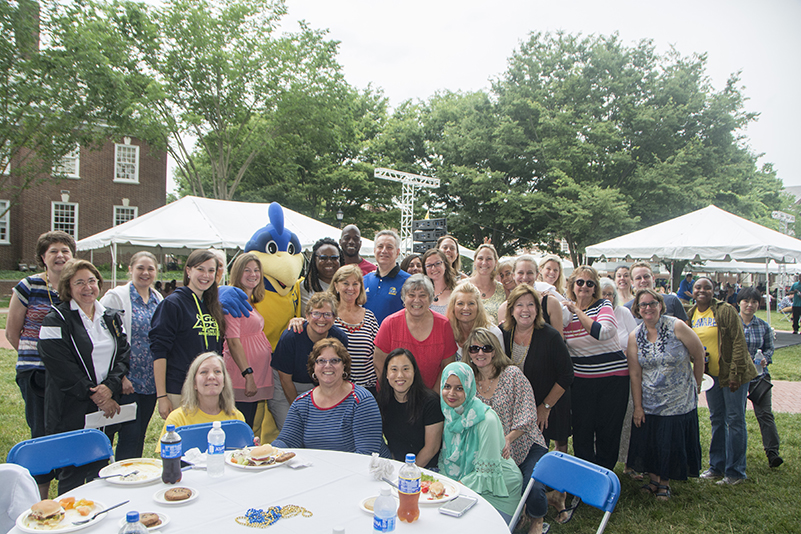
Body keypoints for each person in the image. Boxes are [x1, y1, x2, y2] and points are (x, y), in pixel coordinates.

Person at [38, 259, 130, 494]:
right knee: (73, 472)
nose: (88, 287)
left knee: (101, 466)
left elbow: (123, 354)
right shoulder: (55, 319)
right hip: (71, 407)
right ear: (68, 286)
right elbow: (60, 365)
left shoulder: (111, 317)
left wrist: (109, 388)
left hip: (105, 407)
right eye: (80, 282)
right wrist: (97, 395)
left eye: (92, 281)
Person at [5, 231, 75, 497]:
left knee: (67, 430)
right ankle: (41, 499)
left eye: (65, 251)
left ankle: (68, 494)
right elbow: (13, 332)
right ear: (42, 258)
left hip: (68, 376)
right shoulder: (28, 286)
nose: (60, 256)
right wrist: (38, 357)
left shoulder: (76, 288)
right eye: (53, 251)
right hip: (36, 373)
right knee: (42, 432)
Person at [501, 283, 573, 523]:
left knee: (538, 461)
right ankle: (523, 505)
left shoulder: (549, 335)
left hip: (546, 406)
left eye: (531, 304)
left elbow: (566, 375)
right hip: (513, 411)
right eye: (519, 305)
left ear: (538, 309)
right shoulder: (504, 333)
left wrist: (545, 406)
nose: (525, 310)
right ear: (511, 309)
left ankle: (546, 504)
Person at [465, 328, 549, 534]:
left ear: (495, 351)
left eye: (486, 348)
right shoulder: (468, 383)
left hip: (525, 444)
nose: (480, 353)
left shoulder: (512, 374)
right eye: (474, 348)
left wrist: (508, 438)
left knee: (533, 486)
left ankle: (537, 520)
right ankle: (520, 509)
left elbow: (528, 413)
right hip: (493, 449)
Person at [626, 289, 706, 501]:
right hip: (650, 400)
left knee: (669, 441)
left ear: (661, 305)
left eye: (652, 303)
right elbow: (635, 373)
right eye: (643, 305)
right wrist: (638, 406)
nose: (648, 308)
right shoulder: (635, 336)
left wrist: (696, 384)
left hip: (678, 400)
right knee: (651, 441)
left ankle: (665, 483)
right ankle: (653, 480)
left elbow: (699, 354)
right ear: (637, 309)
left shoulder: (677, 326)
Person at [689, 277, 757, 485]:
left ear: (713, 290)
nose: (702, 291)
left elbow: (738, 341)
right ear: (692, 291)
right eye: (698, 287)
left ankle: (735, 472)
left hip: (732, 374)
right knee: (716, 419)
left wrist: (736, 373)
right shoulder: (691, 314)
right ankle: (716, 467)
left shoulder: (725, 310)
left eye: (707, 287)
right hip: (712, 377)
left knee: (735, 420)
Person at [273, 338, 390, 456]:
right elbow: (286, 441)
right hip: (320, 470)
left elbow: (367, 453)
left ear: (344, 365)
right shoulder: (302, 403)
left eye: (334, 360)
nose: (328, 365)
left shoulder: (361, 401)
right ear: (314, 366)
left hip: (363, 470)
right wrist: (267, 450)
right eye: (321, 361)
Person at [563, 266, 629, 471]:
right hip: (582, 381)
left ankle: (604, 476)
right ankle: (585, 476)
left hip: (613, 379)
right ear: (572, 285)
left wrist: (578, 311)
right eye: (580, 282)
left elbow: (602, 332)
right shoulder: (564, 312)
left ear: (595, 289)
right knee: (582, 431)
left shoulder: (603, 306)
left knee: (607, 431)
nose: (584, 286)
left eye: (589, 283)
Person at [439, 362, 523, 521]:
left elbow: (486, 475)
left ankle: (519, 515)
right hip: (465, 485)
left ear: (470, 388)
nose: (451, 393)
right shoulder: (450, 413)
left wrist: (452, 489)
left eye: (459, 388)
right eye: (447, 386)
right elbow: (446, 458)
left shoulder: (486, 420)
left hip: (498, 491)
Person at [100, 251, 164, 460]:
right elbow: (105, 339)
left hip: (149, 381)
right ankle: (109, 475)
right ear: (130, 270)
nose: (145, 273)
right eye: (140, 268)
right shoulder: (115, 297)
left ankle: (132, 473)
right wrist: (121, 377)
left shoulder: (158, 299)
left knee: (137, 434)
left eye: (150, 269)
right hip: (126, 380)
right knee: (118, 432)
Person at [150, 249, 225, 420]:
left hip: (208, 390)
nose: (206, 275)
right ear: (188, 271)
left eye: (211, 270)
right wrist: (162, 397)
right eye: (200, 269)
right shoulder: (172, 304)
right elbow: (159, 352)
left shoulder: (212, 306)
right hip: (180, 389)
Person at [270, 292, 348, 427]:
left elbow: (340, 375)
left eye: (327, 314)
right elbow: (285, 379)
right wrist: (301, 411)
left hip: (322, 386)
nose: (321, 319)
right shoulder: (291, 337)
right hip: (287, 386)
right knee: (293, 428)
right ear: (307, 316)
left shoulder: (339, 339)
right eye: (316, 313)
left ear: (335, 317)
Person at [221, 253, 275, 433]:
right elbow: (233, 342)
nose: (253, 274)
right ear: (237, 273)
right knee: (240, 427)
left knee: (249, 424)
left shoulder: (249, 301)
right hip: (241, 376)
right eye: (247, 270)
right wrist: (248, 375)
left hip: (256, 375)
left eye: (256, 270)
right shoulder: (232, 302)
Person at [374, 274, 458, 389]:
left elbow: (447, 366)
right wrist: (396, 394)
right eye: (411, 295)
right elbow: (379, 364)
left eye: (422, 295)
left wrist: (433, 398)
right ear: (404, 298)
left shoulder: (444, 325)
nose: (417, 300)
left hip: (432, 397)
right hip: (394, 395)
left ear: (430, 298)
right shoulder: (389, 324)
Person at [737, 287, 783, 468]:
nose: (750, 305)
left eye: (754, 302)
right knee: (736, 416)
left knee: (765, 414)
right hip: (737, 377)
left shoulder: (763, 326)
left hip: (759, 377)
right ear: (739, 303)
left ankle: (772, 453)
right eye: (746, 301)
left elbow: (770, 348)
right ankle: (735, 455)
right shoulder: (732, 324)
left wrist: (765, 358)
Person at [376, 349, 444, 469]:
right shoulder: (382, 401)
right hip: (396, 468)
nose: (400, 375)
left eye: (406, 369)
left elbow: (431, 448)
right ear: (386, 374)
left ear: (414, 372)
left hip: (426, 470)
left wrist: (408, 472)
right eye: (394, 369)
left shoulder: (431, 402)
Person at [599, 277, 639, 475]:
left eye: (610, 294)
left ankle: (628, 462)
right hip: (599, 377)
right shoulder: (593, 313)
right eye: (603, 293)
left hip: (624, 374)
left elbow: (635, 339)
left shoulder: (623, 313)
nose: (607, 297)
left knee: (626, 418)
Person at [160, 352, 245, 435]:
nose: (211, 376)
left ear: (224, 382)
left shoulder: (236, 418)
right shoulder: (177, 419)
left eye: (217, 371)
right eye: (204, 372)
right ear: (194, 383)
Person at [328, 264, 380, 392]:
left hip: (367, 390)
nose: (350, 288)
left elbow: (379, 354)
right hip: (335, 388)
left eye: (355, 284)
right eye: (345, 283)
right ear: (336, 286)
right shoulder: (328, 315)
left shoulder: (369, 317)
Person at [497, 256, 565, 336]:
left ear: (536, 275)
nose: (525, 277)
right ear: (513, 276)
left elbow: (559, 339)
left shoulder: (551, 303)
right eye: (520, 273)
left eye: (529, 273)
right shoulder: (504, 308)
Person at [446, 282, 504, 361]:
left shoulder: (493, 333)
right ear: (453, 307)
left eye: (471, 303)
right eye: (460, 303)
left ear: (478, 307)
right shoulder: (446, 332)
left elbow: (501, 365)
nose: (466, 308)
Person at [364, 230, 411, 324]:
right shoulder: (364, 280)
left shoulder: (409, 282)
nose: (384, 251)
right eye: (380, 246)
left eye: (389, 247)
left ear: (397, 252)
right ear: (374, 250)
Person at [300, 237, 344, 316]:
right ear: (314, 259)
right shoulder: (306, 287)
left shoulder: (348, 285)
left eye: (334, 258)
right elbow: (309, 316)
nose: (329, 262)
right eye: (323, 258)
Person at [469, 244, 506, 324]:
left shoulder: (503, 290)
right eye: (480, 258)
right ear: (475, 260)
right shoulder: (461, 286)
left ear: (495, 262)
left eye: (489, 259)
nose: (484, 263)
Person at [422, 248, 457, 315]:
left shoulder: (456, 291)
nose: (433, 268)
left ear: (445, 265)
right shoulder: (422, 293)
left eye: (437, 263)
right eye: (429, 265)